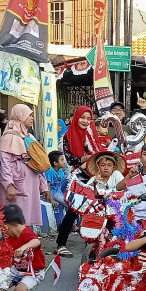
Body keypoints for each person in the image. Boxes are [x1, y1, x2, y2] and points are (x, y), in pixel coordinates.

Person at [56, 106, 101, 257]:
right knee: (74, 208)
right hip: (80, 174)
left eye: (89, 119)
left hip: (97, 173)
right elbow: (70, 159)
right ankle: (61, 244)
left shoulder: (92, 134)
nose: (85, 121)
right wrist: (87, 158)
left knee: (98, 206)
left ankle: (96, 241)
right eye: (83, 117)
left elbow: (100, 151)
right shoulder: (67, 136)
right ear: (76, 117)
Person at [0, 204, 46, 291]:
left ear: (6, 226)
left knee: (19, 290)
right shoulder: (9, 238)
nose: (3, 232)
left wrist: (24, 246)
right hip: (17, 271)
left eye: (2, 228)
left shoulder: (26, 232)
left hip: (33, 272)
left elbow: (36, 241)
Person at [0, 104, 49, 229]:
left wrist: (43, 187)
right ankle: (14, 247)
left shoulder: (29, 137)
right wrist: (9, 185)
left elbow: (38, 162)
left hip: (31, 183)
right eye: (29, 115)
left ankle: (26, 247)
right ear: (20, 116)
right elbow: (4, 164)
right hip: (16, 184)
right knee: (16, 219)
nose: (32, 118)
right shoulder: (9, 138)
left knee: (27, 219)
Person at [45, 151, 67, 227]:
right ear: (55, 163)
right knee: (69, 204)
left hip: (59, 192)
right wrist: (51, 200)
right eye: (62, 160)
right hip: (53, 193)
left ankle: (71, 224)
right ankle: (70, 225)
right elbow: (47, 186)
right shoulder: (50, 171)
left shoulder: (61, 172)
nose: (64, 162)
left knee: (70, 204)